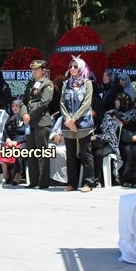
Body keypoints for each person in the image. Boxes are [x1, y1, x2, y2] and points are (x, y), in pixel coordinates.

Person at [60, 57, 95, 192]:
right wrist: (68, 119)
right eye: (71, 66)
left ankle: (88, 183)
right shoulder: (66, 84)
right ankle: (72, 183)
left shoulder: (87, 83)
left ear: (81, 68)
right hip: (68, 124)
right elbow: (62, 102)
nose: (72, 69)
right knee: (70, 154)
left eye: (75, 66)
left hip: (83, 123)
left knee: (86, 153)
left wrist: (74, 119)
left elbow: (86, 103)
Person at [20, 59, 54, 189]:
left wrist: (30, 114)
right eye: (32, 69)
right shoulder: (30, 83)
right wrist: (24, 114)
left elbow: (44, 102)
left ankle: (43, 182)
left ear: (43, 70)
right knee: (31, 152)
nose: (33, 71)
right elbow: (23, 101)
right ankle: (33, 180)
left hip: (41, 122)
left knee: (42, 152)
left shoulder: (48, 84)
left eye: (36, 69)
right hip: (30, 122)